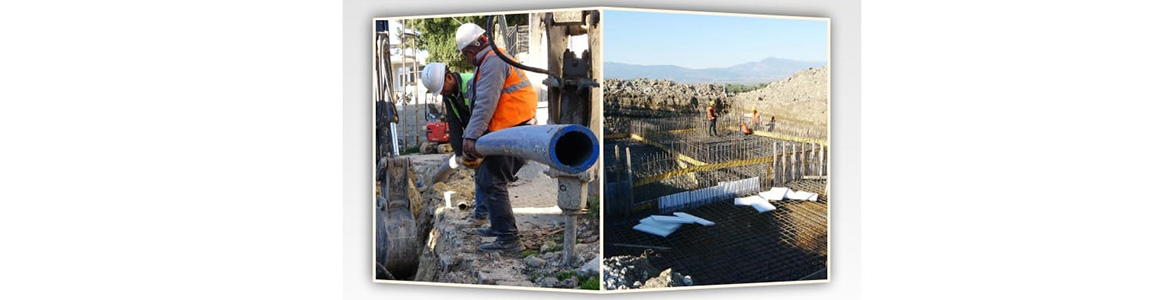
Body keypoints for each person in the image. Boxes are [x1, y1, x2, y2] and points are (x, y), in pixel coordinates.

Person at [454, 23, 539, 252]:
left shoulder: (493, 61)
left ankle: (509, 239)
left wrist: (470, 136)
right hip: (509, 131)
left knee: (492, 180)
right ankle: (498, 227)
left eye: (465, 56)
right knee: (486, 178)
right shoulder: (489, 60)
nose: (467, 59)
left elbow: (485, 103)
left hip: (516, 131)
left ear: (469, 52)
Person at [420, 62, 489, 225]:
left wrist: (475, 141)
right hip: (475, 135)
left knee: (489, 175)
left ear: (449, 77)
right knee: (481, 174)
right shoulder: (449, 95)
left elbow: (483, 114)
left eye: (442, 89)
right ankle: (482, 214)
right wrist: (460, 154)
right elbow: (454, 123)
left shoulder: (473, 83)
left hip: (488, 130)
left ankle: (484, 216)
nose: (442, 93)